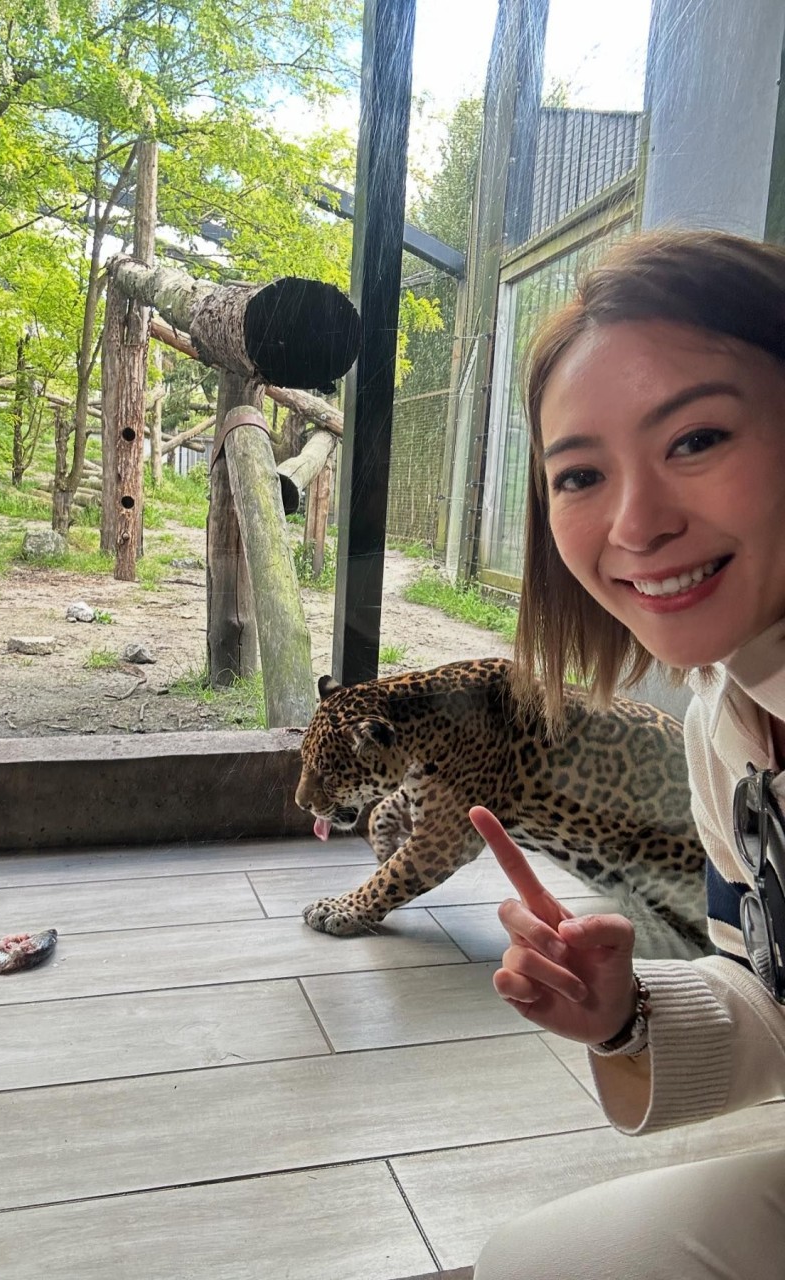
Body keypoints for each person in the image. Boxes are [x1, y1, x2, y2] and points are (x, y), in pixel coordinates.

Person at [468, 229, 785, 1280]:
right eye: (580, 474)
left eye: (695, 439)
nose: (636, 523)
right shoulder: (721, 719)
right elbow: (765, 985)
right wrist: (624, 1013)